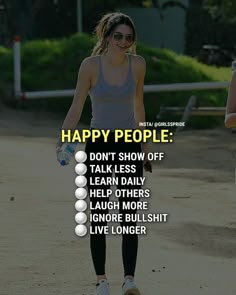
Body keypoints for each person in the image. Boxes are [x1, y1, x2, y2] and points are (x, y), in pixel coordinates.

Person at [56, 12, 149, 295]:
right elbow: (77, 106)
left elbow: (139, 107)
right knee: (98, 215)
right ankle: (102, 280)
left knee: (129, 215)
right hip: (98, 144)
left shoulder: (138, 65)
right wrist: (63, 138)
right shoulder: (90, 66)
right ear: (107, 36)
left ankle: (129, 279)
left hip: (129, 144)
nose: (124, 42)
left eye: (129, 38)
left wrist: (145, 147)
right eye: (118, 36)